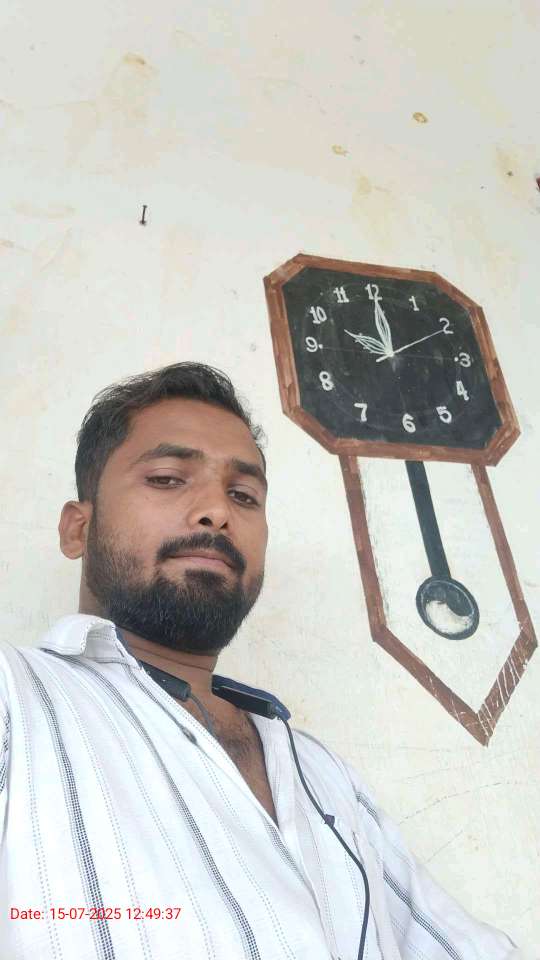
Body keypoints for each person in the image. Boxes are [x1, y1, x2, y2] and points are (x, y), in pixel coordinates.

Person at [0, 361, 532, 960]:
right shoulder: (17, 700)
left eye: (243, 495)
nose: (216, 511)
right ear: (78, 529)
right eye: (168, 478)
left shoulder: (321, 774)